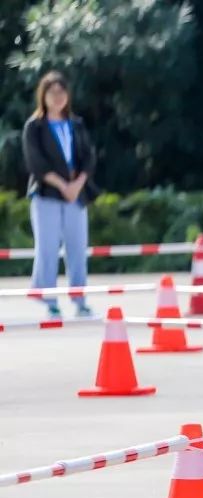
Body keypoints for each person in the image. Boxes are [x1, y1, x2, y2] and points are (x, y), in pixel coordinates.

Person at [22, 71, 98, 319]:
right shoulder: (35, 126)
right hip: (47, 194)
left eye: (61, 92)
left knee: (77, 247)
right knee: (47, 247)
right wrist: (62, 185)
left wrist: (77, 184)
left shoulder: (76, 124)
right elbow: (36, 163)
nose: (57, 97)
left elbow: (88, 156)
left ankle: (80, 299)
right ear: (42, 96)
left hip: (76, 193)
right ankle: (49, 299)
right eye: (52, 92)